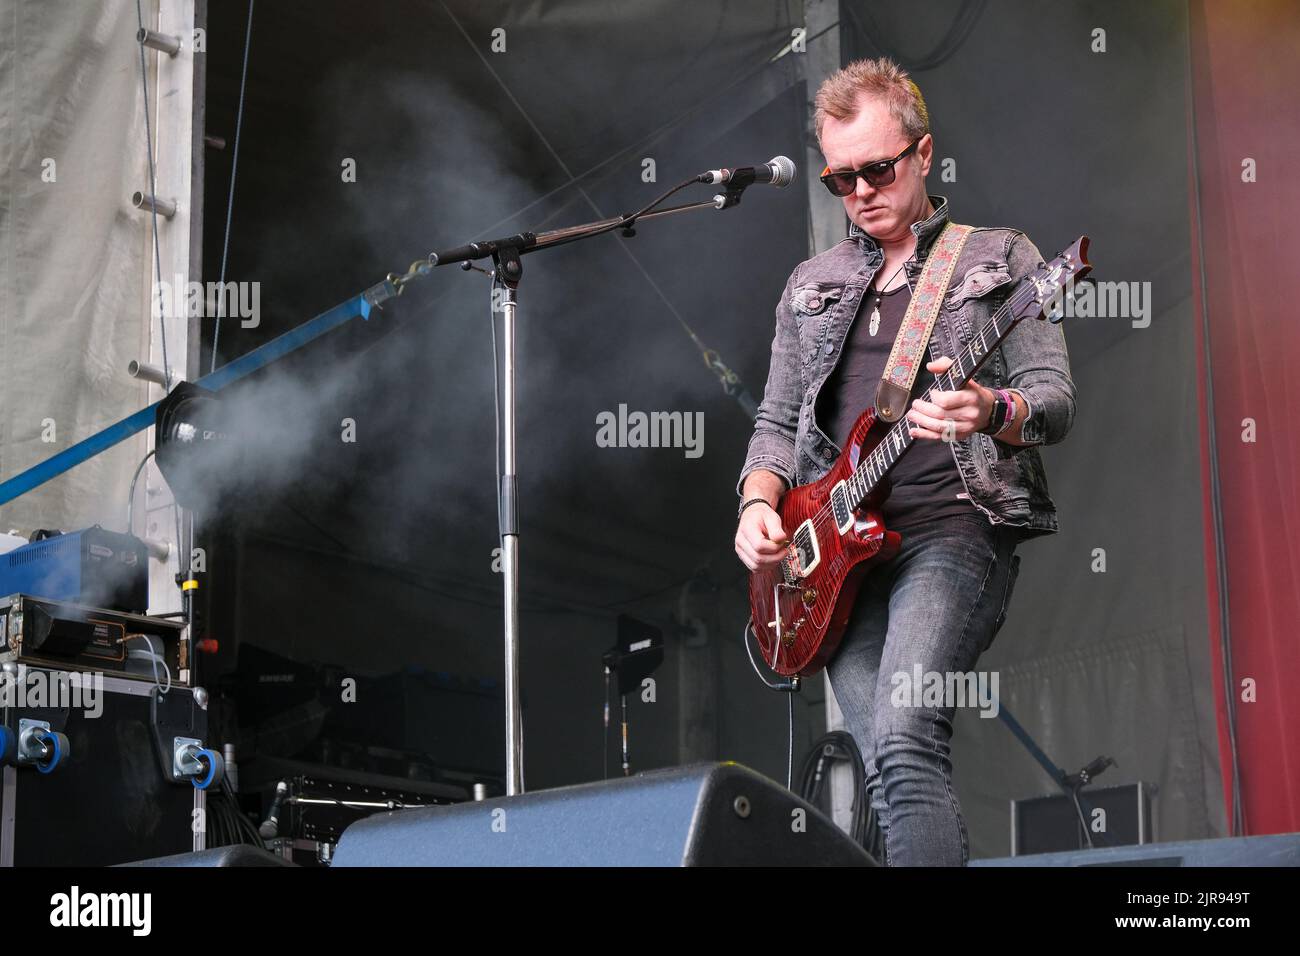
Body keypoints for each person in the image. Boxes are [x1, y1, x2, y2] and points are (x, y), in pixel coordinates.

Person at [733, 57, 1077, 866]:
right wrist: (756, 505)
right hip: (834, 552)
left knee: (905, 728)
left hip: (952, 531)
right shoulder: (811, 283)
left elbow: (1052, 400)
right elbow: (778, 421)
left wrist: (991, 410)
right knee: (884, 758)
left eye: (877, 170)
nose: (860, 193)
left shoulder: (998, 257)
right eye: (840, 179)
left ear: (923, 154)